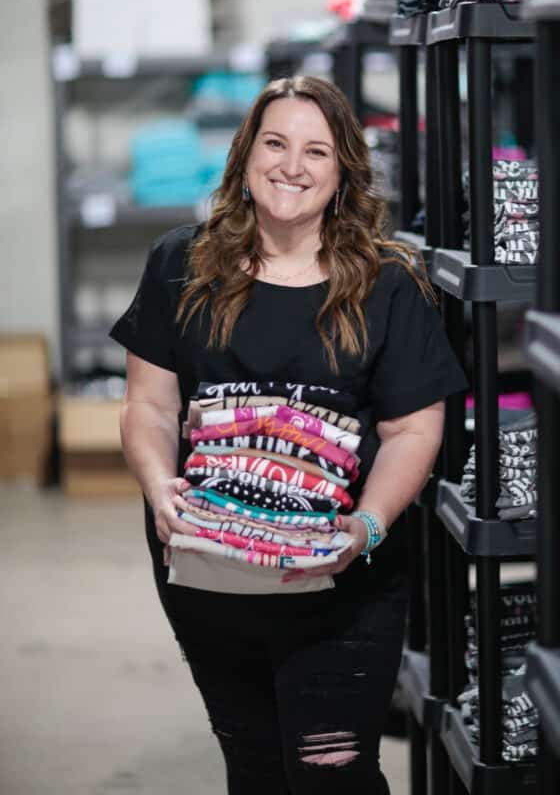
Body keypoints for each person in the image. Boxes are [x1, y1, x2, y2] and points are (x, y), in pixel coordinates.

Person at [110, 75, 467, 795]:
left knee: (331, 774)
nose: (291, 166)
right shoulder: (181, 263)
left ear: (342, 176)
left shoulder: (386, 282)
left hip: (342, 582)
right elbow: (148, 406)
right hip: (206, 569)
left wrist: (367, 524)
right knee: (255, 768)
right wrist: (157, 487)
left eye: (317, 152)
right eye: (274, 143)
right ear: (245, 156)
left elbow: (411, 429)